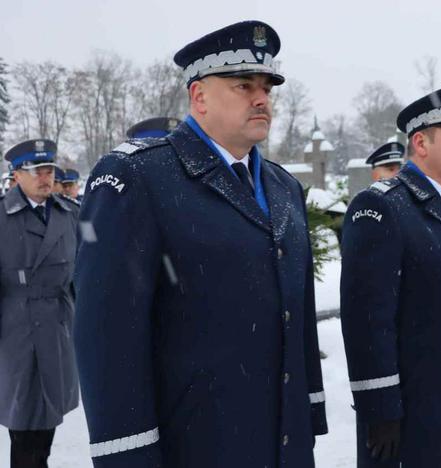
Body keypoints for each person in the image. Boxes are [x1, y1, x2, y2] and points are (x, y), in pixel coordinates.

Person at [74, 20, 327, 468]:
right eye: (243, 85)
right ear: (199, 97)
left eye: (267, 86)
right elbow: (107, 333)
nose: (261, 97)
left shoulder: (283, 187)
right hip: (195, 442)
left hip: (283, 441)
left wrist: (308, 411)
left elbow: (297, 312)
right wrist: (125, 454)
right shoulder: (140, 177)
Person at [341, 84, 441, 467]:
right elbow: (367, 318)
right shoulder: (383, 206)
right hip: (415, 406)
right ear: (421, 144)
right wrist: (379, 405)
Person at [0, 139, 79, 468]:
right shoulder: (3, 217)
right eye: (37, 171)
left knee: (44, 424)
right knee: (24, 427)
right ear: (17, 175)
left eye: (49, 170)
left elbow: (88, 266)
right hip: (17, 332)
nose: (46, 177)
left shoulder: (71, 214)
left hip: (58, 328)